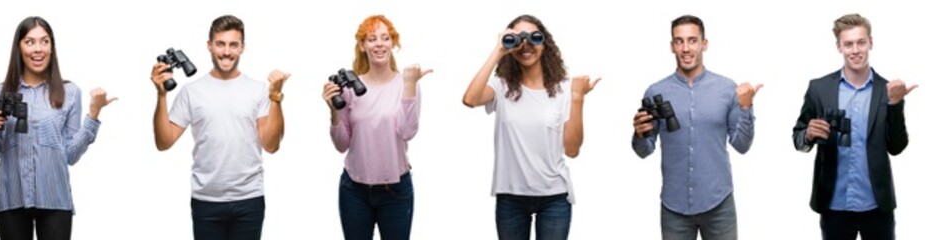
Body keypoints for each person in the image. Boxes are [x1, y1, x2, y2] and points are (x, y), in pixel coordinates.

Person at [460, 14, 599, 240]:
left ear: (545, 44)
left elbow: (572, 150)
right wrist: (498, 50)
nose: (526, 45)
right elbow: (470, 99)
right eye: (518, 39)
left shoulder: (564, 89)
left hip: (554, 196)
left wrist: (577, 97)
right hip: (511, 196)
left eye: (534, 38)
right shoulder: (501, 87)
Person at [150, 14, 288, 240]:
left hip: (249, 199)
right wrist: (161, 95)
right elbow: (164, 142)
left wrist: (276, 97)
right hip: (206, 200)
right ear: (209, 46)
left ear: (242, 48)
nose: (226, 52)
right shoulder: (191, 92)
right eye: (220, 44)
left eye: (233, 45)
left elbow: (271, 145)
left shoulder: (259, 90)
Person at [0, 16, 116, 240]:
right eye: (30, 42)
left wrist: (93, 113)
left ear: (52, 47)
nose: (38, 49)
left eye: (44, 41)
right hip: (11, 199)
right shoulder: (1, 92)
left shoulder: (70, 92)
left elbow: (71, 155)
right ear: (19, 47)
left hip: (55, 199)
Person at [631, 15, 760, 240]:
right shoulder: (655, 92)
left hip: (719, 204)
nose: (686, 48)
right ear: (672, 46)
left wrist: (746, 108)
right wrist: (639, 135)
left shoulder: (727, 88)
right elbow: (644, 151)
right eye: (679, 41)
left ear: (704, 44)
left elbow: (741, 145)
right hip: (674, 207)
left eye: (692, 40)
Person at [791, 13, 915, 240]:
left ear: (871, 43)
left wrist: (896, 104)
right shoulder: (819, 89)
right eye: (848, 44)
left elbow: (896, 147)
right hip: (834, 205)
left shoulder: (887, 90)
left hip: (877, 205)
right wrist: (807, 135)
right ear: (839, 47)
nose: (855, 50)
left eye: (861, 42)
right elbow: (798, 137)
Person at [324, 15, 430, 240]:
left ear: (393, 43)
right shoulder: (351, 88)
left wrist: (410, 85)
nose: (379, 44)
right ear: (362, 46)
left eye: (385, 38)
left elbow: (407, 132)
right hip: (354, 190)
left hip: (396, 190)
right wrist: (333, 109)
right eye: (372, 39)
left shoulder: (406, 83)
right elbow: (341, 144)